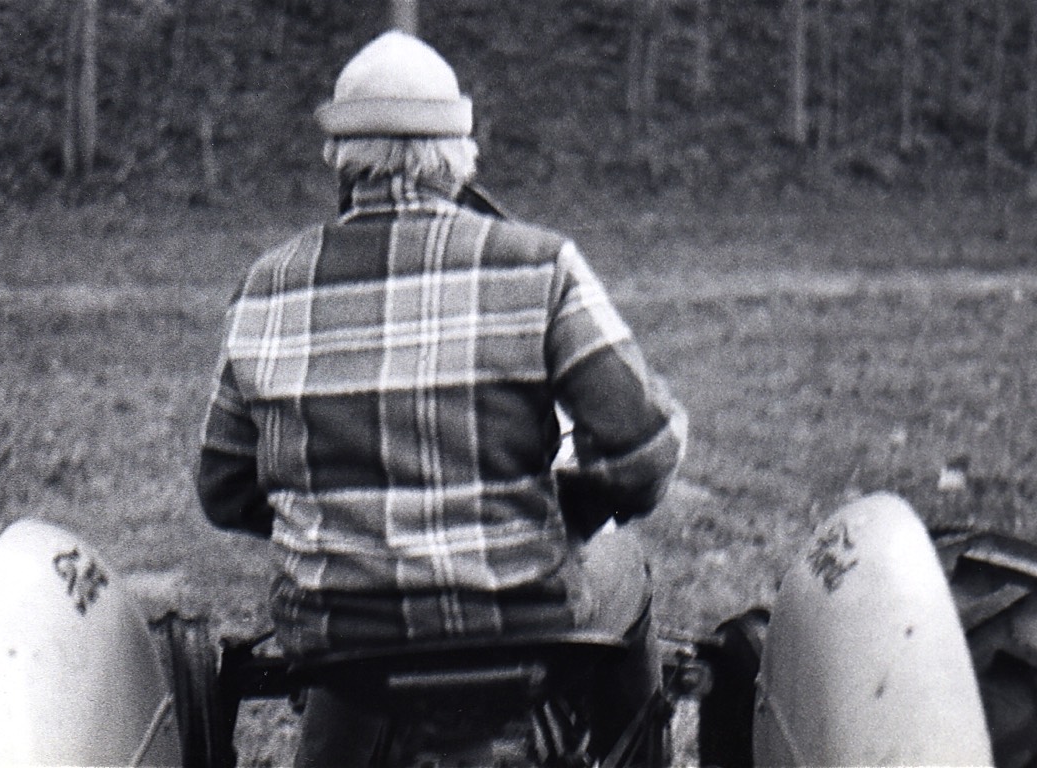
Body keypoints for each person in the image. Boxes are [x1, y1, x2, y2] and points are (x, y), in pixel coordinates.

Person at [196, 30, 687, 765]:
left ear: (341, 157)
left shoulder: (265, 285)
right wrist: (573, 513)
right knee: (629, 569)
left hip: (340, 646)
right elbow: (645, 454)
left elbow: (225, 488)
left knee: (365, 642)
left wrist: (347, 523)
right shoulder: (540, 266)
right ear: (460, 157)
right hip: (520, 622)